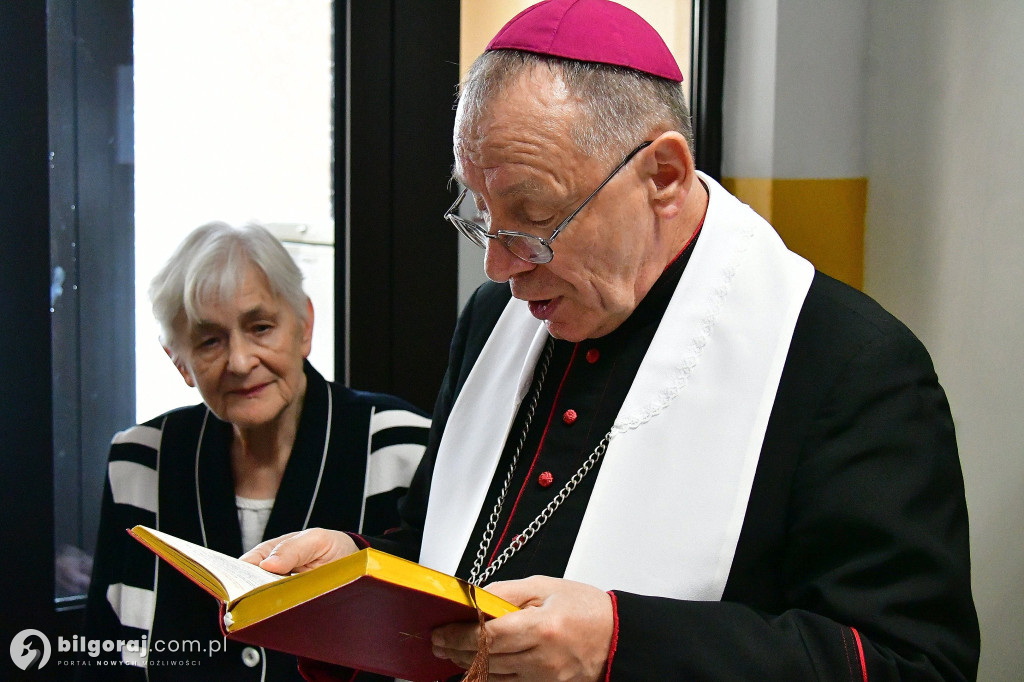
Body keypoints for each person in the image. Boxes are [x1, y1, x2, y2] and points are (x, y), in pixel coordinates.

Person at [246, 1, 980, 679]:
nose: (500, 267)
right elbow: (447, 547)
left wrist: (621, 645)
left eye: (533, 219)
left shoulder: (846, 366)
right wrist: (354, 578)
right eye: (482, 215)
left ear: (662, 175)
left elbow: (910, 662)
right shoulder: (493, 321)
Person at [80, 222, 430, 681]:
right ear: (178, 359)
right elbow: (103, 655)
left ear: (303, 326)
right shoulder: (140, 458)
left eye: (260, 327)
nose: (241, 362)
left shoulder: (399, 445)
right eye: (209, 341)